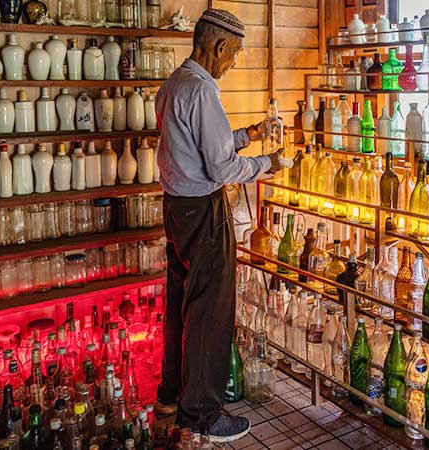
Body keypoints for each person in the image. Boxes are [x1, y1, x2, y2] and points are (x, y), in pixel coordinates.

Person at [154, 8, 283, 443]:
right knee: (210, 312)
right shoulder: (203, 91)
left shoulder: (175, 84)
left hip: (176, 209)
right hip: (204, 212)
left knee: (182, 305)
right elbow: (222, 166)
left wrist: (249, 133)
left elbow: (202, 142)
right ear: (219, 45)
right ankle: (202, 414)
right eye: (234, 55)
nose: (233, 64)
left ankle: (170, 397)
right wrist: (270, 163)